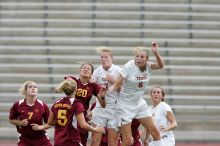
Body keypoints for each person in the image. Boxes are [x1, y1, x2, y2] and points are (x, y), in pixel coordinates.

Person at [110, 42, 166, 146]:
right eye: (137, 56)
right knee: (127, 141)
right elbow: (118, 83)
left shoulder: (149, 66)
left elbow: (161, 65)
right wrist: (110, 89)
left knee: (156, 132)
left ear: (147, 59)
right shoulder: (129, 66)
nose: (138, 58)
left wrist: (156, 52)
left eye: (142, 57)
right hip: (125, 106)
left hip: (139, 104)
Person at [48, 79, 105, 146]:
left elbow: (50, 122)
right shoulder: (76, 104)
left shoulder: (56, 103)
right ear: (76, 89)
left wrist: (64, 124)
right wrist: (96, 130)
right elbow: (83, 125)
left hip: (58, 140)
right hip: (71, 141)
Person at [63, 62, 106, 146]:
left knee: (81, 141)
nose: (86, 69)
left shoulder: (93, 86)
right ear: (79, 71)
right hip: (69, 115)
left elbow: (103, 105)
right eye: (83, 68)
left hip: (82, 116)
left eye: (88, 68)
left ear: (91, 74)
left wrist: (103, 97)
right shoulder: (73, 80)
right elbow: (66, 80)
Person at [90, 46, 121, 146]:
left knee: (112, 142)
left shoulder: (119, 70)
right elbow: (93, 90)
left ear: (112, 58)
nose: (103, 59)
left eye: (106, 57)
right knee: (95, 140)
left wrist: (113, 81)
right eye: (102, 57)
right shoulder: (97, 72)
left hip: (114, 109)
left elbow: (125, 90)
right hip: (100, 108)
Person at [9, 81, 52, 146]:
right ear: (25, 91)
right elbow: (11, 120)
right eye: (30, 87)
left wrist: (40, 127)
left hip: (41, 138)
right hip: (24, 139)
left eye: (35, 87)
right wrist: (20, 123)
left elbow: (50, 123)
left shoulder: (43, 105)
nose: (33, 88)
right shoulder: (17, 105)